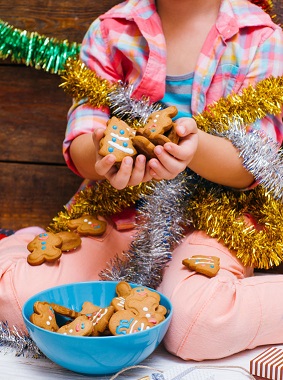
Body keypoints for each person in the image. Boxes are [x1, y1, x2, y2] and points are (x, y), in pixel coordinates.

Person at [1, 0, 283, 361]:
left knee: (198, 324)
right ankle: (18, 243)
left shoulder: (261, 38)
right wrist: (104, 154)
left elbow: (253, 164)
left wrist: (191, 150)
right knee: (14, 301)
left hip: (212, 225)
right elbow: (80, 146)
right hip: (117, 216)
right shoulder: (110, 31)